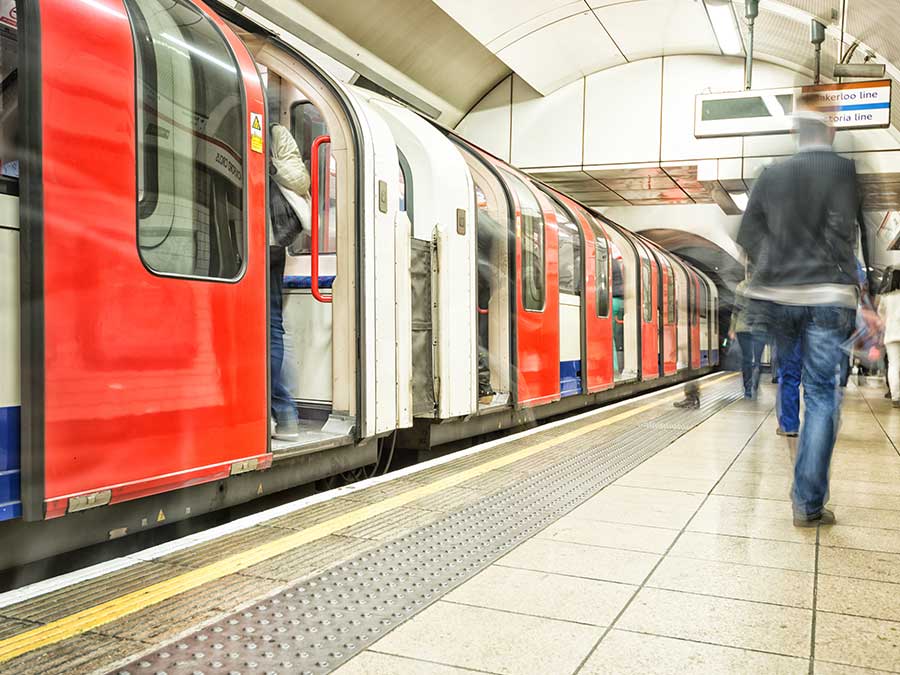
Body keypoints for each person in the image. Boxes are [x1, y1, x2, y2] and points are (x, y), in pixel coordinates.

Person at [737, 105, 867, 528]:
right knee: (823, 395)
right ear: (829, 133)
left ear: (797, 134)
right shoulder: (843, 170)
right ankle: (807, 503)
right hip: (828, 294)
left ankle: (787, 423)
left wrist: (776, 262)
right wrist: (861, 292)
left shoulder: (771, 174)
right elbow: (848, 234)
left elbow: (747, 234)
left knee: (788, 373)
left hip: (778, 297)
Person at [268, 124, 311, 441]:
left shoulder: (275, 133)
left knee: (271, 326)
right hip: (234, 237)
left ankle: (284, 412)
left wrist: (265, 164)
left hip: (268, 244)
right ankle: (280, 413)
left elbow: (300, 179)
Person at [728, 278, 765, 399]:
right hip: (759, 327)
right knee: (757, 360)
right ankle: (754, 385)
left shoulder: (742, 286)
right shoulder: (764, 284)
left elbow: (736, 309)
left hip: (743, 327)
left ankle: (748, 388)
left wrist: (732, 328)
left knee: (747, 358)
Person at [878, 269, 900, 408]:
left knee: (893, 366)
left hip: (891, 335)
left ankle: (896, 397)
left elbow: (880, 315)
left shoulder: (886, 297)